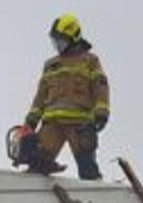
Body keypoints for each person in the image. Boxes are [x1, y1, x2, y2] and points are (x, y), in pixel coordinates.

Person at [19, 14, 110, 179]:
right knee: (37, 164)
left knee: (87, 167)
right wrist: (30, 121)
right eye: (55, 42)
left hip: (79, 124)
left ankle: (94, 189)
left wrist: (101, 113)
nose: (58, 46)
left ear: (74, 38)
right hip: (52, 124)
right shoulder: (51, 65)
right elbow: (40, 96)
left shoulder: (90, 60)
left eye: (61, 41)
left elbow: (100, 86)